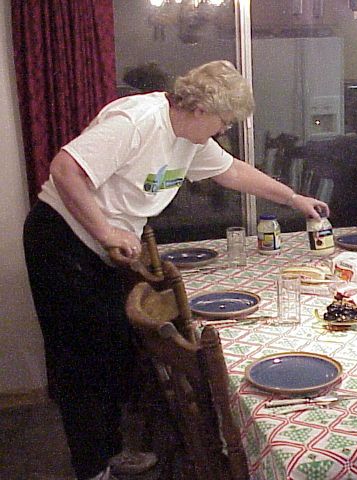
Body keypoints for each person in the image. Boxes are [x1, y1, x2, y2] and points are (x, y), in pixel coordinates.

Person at [22, 60, 329, 480]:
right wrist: (106, 230)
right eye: (223, 121)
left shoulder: (191, 138)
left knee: (112, 352)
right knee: (81, 362)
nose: (224, 130)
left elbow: (233, 171)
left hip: (100, 247)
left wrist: (293, 198)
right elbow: (64, 168)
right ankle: (92, 469)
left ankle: (109, 451)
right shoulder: (137, 120)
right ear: (201, 109)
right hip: (62, 238)